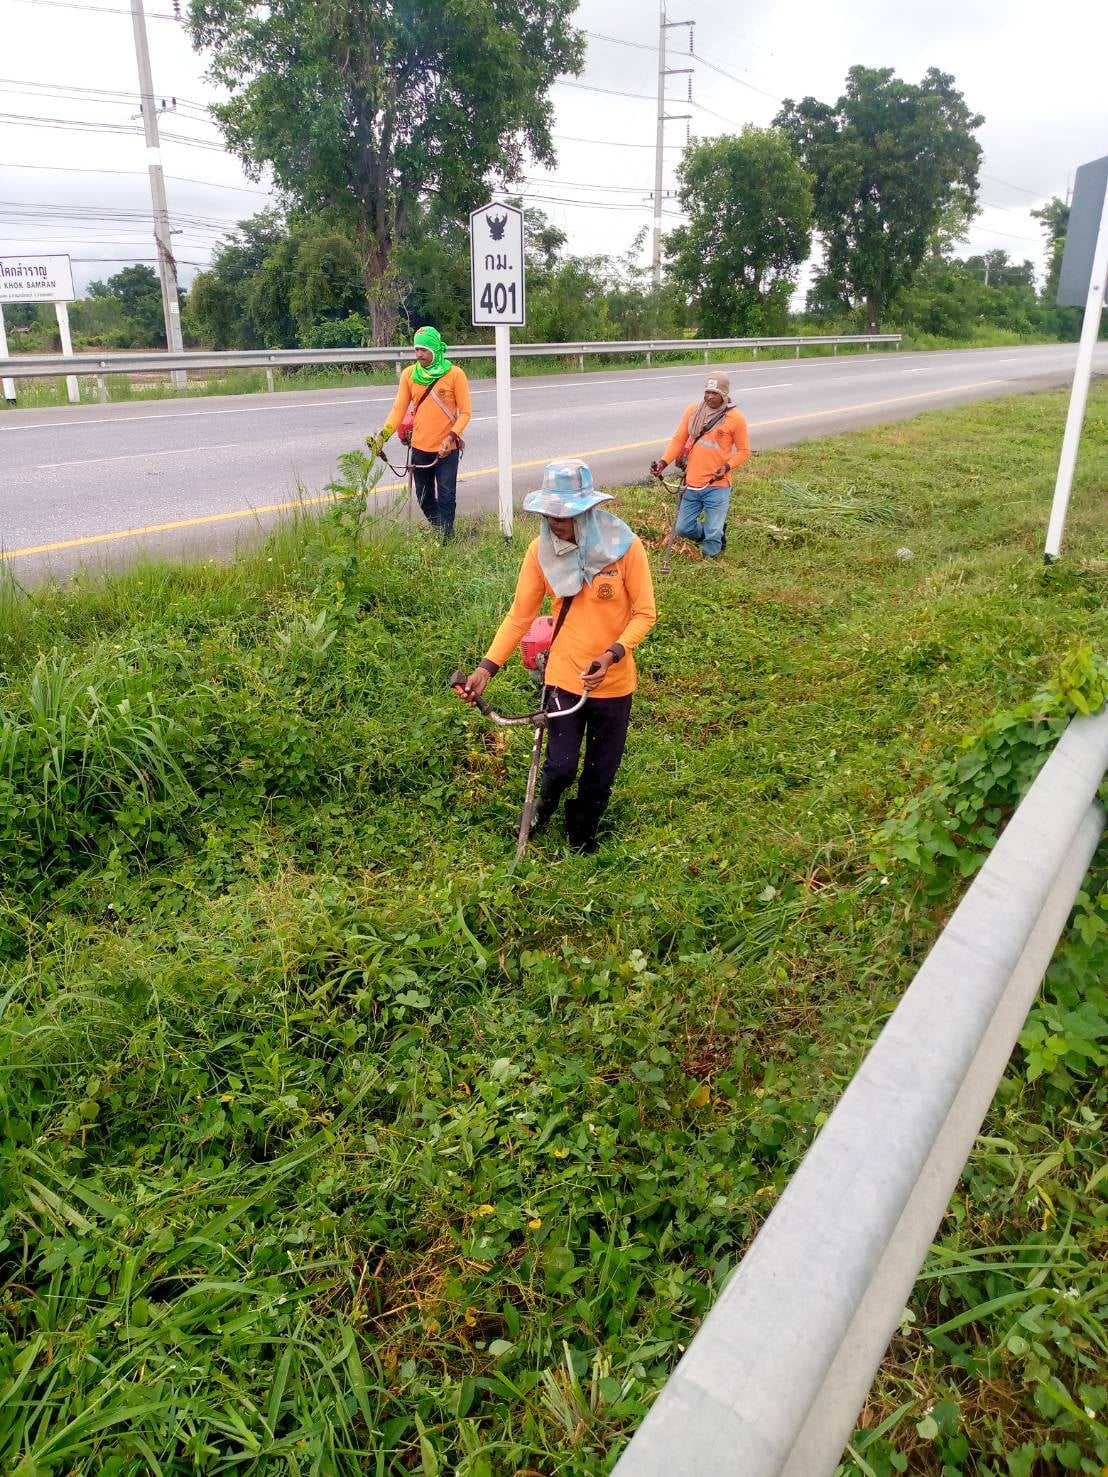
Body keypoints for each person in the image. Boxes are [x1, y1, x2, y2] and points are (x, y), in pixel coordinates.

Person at [461, 460, 657, 855]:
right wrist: (486, 667)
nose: (555, 522)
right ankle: (540, 810)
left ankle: (582, 829)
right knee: (561, 766)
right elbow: (520, 616)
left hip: (613, 682)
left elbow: (645, 613)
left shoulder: (625, 548)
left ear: (587, 511)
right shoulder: (540, 552)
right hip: (564, 676)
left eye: (565, 514)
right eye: (550, 513)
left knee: (601, 773)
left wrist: (612, 654)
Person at [370, 326, 471, 539]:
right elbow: (398, 410)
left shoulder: (455, 375)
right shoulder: (409, 375)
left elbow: (465, 414)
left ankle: (446, 539)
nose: (418, 354)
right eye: (416, 349)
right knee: (424, 497)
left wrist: (450, 437)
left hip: (447, 449)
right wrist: (382, 437)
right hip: (419, 448)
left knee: (446, 496)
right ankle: (442, 531)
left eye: (424, 349)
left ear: (435, 349)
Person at [650, 372, 750, 559]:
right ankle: (713, 533)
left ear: (724, 394)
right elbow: (679, 440)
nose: (709, 397)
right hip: (691, 484)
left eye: (715, 393)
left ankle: (710, 560)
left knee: (713, 532)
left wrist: (727, 467)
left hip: (717, 485)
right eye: (707, 392)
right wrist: (663, 463)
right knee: (683, 528)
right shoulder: (693, 411)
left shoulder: (736, 419)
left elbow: (744, 451)